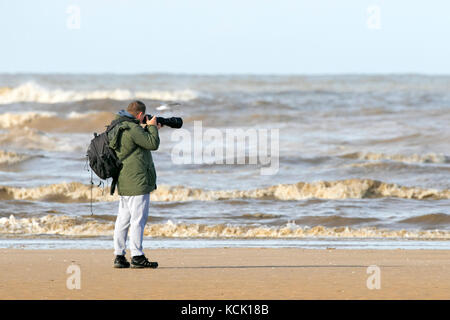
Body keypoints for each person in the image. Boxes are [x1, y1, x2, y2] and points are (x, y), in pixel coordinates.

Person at [107, 100, 161, 268]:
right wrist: (152, 127)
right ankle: (137, 256)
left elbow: (135, 144)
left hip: (124, 180)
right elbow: (153, 144)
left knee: (123, 219)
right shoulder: (132, 128)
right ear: (140, 115)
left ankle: (119, 256)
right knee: (138, 220)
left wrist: (147, 129)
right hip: (137, 181)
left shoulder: (118, 126)